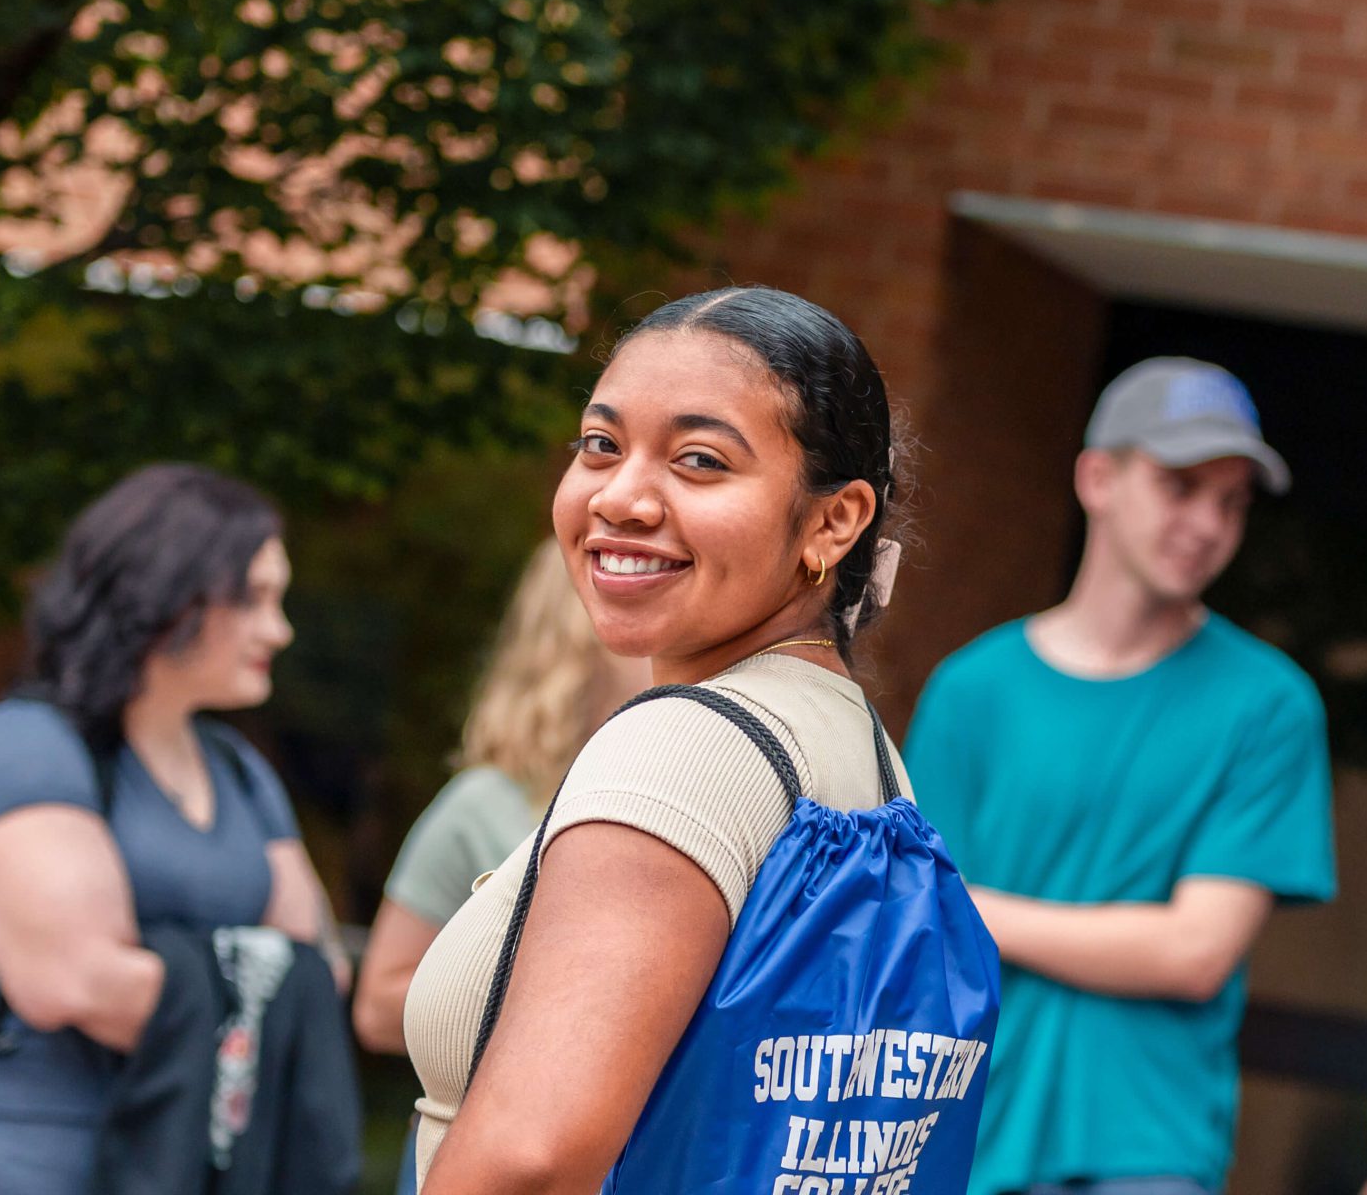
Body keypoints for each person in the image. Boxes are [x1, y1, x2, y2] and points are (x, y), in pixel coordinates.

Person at [403, 286, 990, 1191]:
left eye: (700, 460)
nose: (623, 497)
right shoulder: (858, 746)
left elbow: (533, 1159)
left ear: (834, 520)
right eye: (601, 445)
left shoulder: (686, 749)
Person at [0, 463, 349, 1195]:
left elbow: (317, 972)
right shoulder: (31, 744)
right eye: (256, 597)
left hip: (170, 1157)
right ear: (171, 595)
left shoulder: (238, 770)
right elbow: (73, 983)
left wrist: (186, 973)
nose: (280, 628)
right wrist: (243, 985)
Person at [905, 356, 1337, 1195]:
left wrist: (979, 910)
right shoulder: (972, 688)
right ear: (1097, 478)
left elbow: (1195, 951)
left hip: (1147, 1151)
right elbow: (925, 937)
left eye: (1232, 502)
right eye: (1181, 485)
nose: (1208, 523)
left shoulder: (1269, 704)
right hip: (967, 1135)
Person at [351, 539, 647, 1192]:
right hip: (485, 1153)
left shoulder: (683, 791)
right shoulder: (482, 804)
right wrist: (553, 1000)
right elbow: (375, 1005)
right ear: (579, 635)